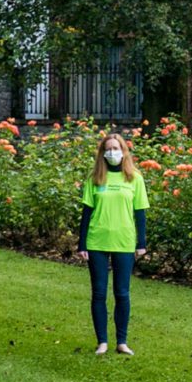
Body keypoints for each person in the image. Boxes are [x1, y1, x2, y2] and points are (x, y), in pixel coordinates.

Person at [72, 130, 148, 356]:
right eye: (108, 149)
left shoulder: (134, 178)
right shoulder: (95, 179)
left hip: (124, 241)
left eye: (117, 148)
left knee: (122, 293)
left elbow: (140, 213)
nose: (113, 152)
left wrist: (141, 242)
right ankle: (102, 341)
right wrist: (82, 244)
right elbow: (86, 213)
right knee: (99, 293)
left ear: (124, 152)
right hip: (97, 241)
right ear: (102, 154)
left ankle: (121, 341)